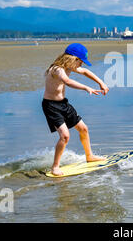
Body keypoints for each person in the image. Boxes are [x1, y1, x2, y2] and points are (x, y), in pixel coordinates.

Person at [42, 43, 109, 176]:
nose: (81, 65)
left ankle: (89, 156)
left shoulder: (68, 66)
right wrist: (86, 88)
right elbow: (67, 81)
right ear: (72, 58)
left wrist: (101, 82)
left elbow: (85, 71)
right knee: (65, 136)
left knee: (83, 128)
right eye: (80, 61)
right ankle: (55, 166)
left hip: (63, 104)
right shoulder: (57, 69)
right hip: (51, 106)